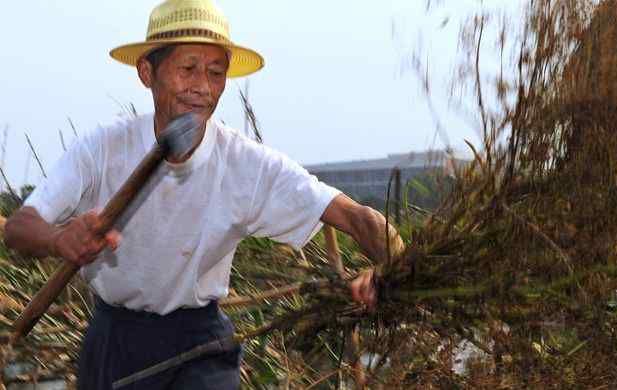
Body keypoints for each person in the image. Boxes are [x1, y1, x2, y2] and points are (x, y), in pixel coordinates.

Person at [3, 1, 404, 389]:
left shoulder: (247, 165)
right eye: (187, 69)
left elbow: (359, 218)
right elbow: (20, 228)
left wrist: (393, 272)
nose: (202, 88)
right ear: (147, 72)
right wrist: (60, 239)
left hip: (200, 340)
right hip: (115, 338)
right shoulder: (104, 149)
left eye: (215, 73)